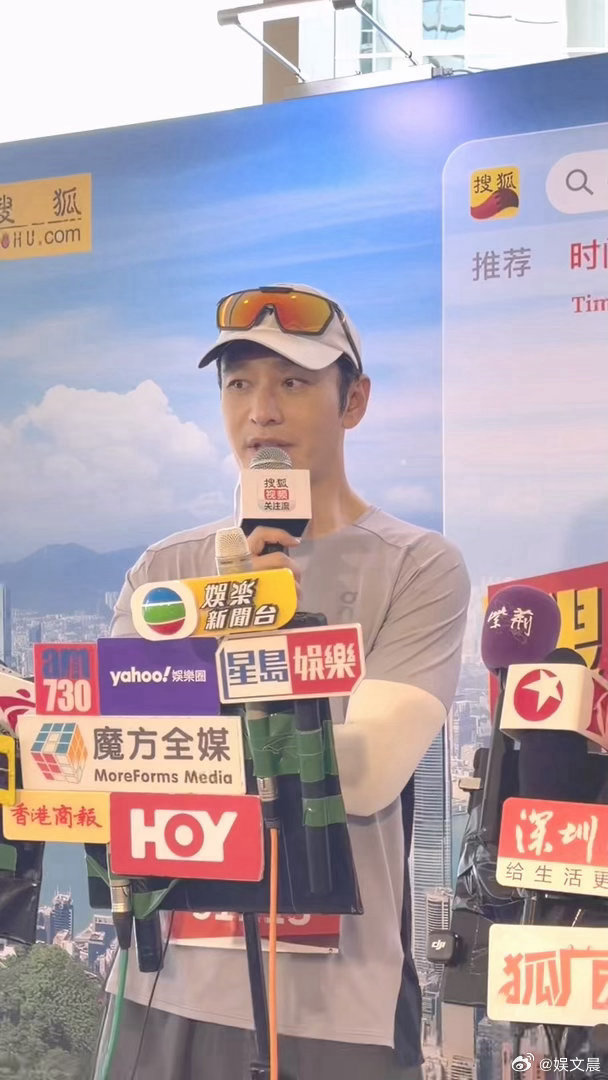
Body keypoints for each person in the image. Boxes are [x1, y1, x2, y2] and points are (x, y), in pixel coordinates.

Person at [96, 284, 470, 1080]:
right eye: (239, 384)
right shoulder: (167, 571)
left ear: (353, 401)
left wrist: (270, 636)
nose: (260, 412)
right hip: (169, 980)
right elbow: (118, 756)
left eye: (293, 382)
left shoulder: (417, 567)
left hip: (341, 1004)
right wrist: (222, 623)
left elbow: (367, 774)